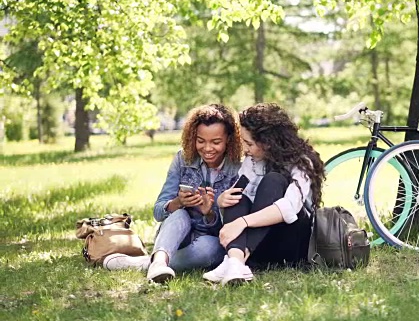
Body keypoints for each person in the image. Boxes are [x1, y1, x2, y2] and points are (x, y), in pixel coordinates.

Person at [103, 104, 243, 283]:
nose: (207, 148)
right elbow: (159, 211)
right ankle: (160, 261)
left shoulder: (238, 168)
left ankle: (147, 263)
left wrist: (209, 213)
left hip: (210, 239)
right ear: (193, 137)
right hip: (176, 235)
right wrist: (178, 202)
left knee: (211, 248)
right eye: (201, 141)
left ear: (229, 140)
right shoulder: (182, 159)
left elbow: (233, 226)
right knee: (179, 214)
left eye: (216, 142)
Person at [202, 103, 325, 285]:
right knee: (237, 196)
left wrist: (242, 222)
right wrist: (221, 201)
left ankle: (235, 261)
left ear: (267, 142)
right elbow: (240, 197)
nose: (245, 149)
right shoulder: (253, 160)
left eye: (249, 143)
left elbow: (288, 208)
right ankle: (236, 262)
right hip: (259, 247)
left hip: (292, 244)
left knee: (273, 180)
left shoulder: (301, 162)